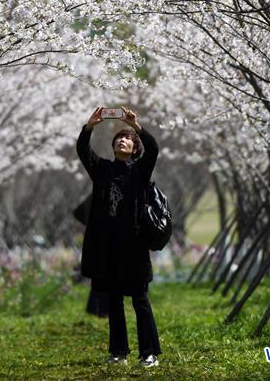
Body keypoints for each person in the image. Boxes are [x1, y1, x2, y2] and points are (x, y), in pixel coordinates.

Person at [76, 106, 161, 368]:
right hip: (107, 248)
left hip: (134, 248)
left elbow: (154, 149)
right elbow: (83, 151)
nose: (122, 141)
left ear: (134, 148)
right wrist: (90, 126)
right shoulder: (102, 170)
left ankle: (149, 353)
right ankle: (118, 352)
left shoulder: (139, 171)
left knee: (140, 301)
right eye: (118, 139)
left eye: (127, 140)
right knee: (114, 303)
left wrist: (136, 126)